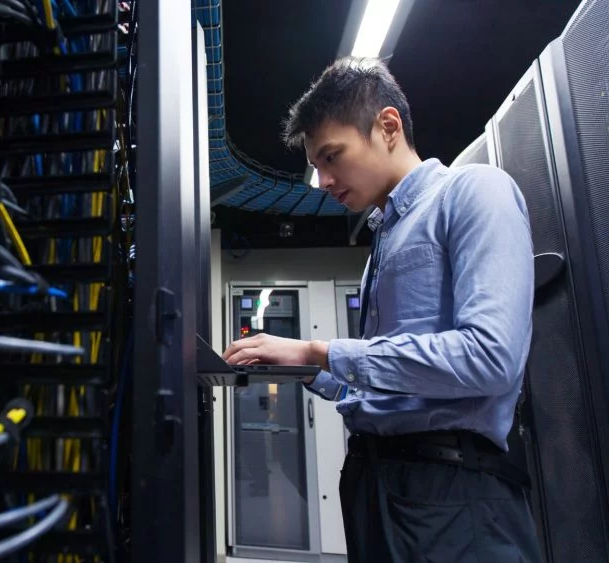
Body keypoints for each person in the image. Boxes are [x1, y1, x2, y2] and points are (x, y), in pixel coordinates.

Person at [222, 57, 542, 562]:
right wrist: (304, 369)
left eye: (332, 157)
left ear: (387, 126)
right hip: (380, 484)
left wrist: (320, 350)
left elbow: (490, 357)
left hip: (450, 494)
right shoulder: (383, 241)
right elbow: (390, 382)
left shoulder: (474, 192)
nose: (323, 180)